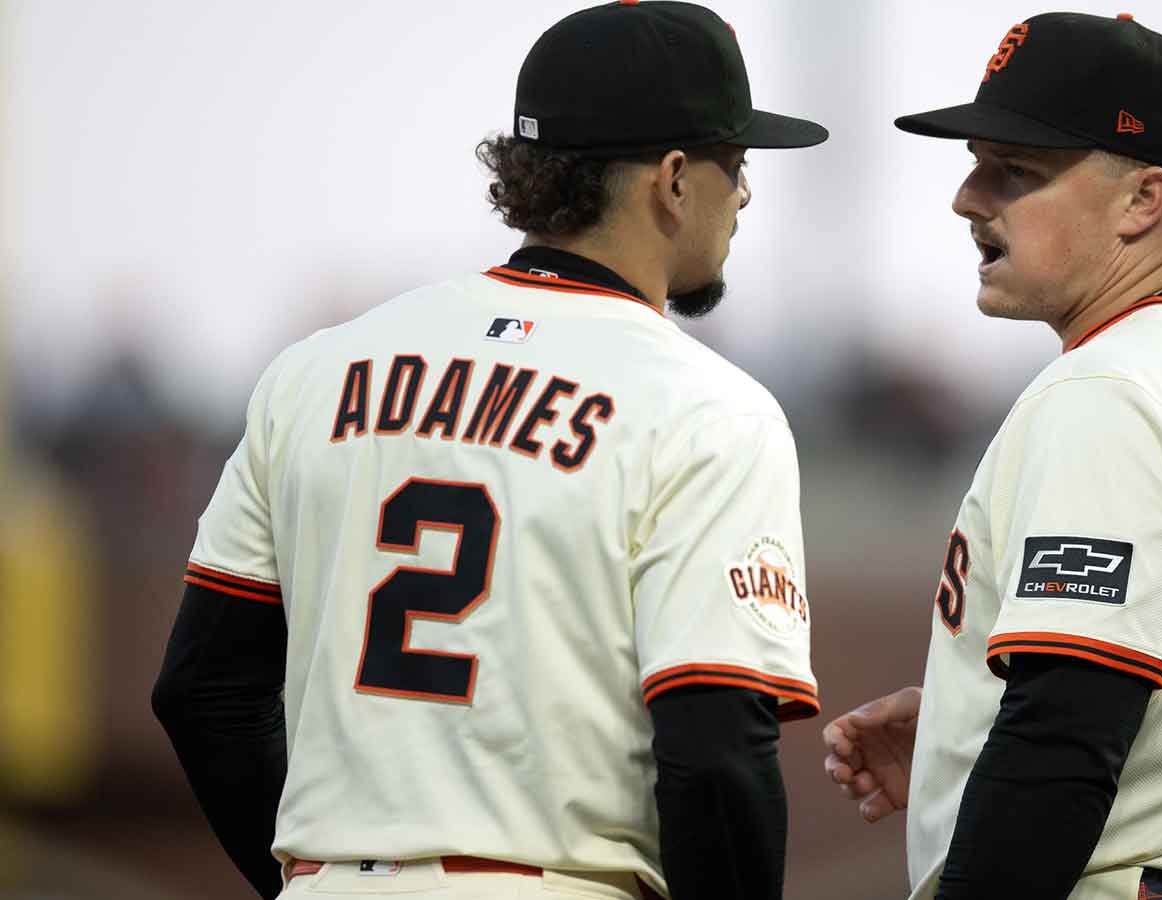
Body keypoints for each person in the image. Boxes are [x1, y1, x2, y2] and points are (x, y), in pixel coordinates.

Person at [152, 3, 827, 899]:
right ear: (672, 179)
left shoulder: (315, 371)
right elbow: (715, 758)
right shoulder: (706, 408)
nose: (742, 192)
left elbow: (202, 691)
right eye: (734, 162)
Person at [823, 12, 1162, 900]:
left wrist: (1014, 752)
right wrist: (968, 727)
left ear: (1143, 199)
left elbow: (1061, 742)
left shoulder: (1112, 391)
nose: (967, 197)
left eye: (1016, 171)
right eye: (976, 163)